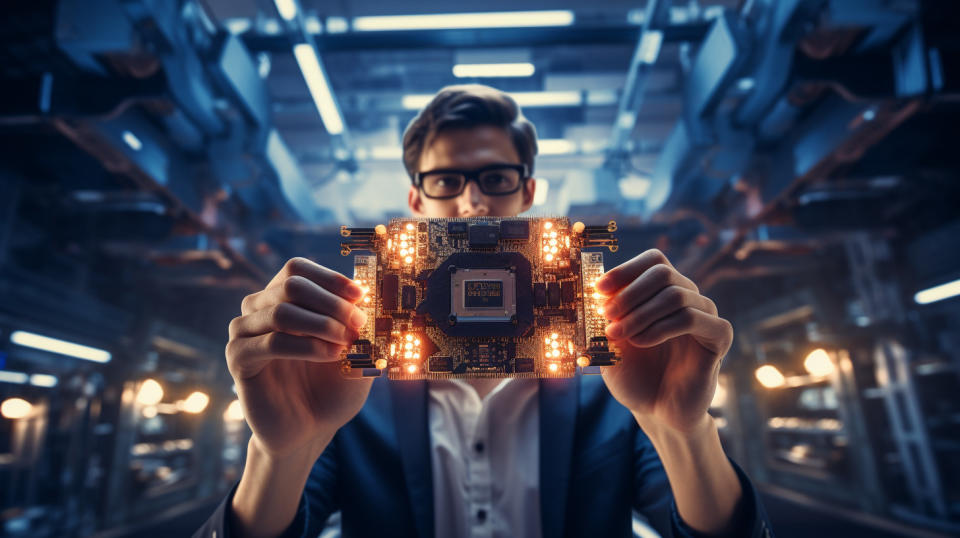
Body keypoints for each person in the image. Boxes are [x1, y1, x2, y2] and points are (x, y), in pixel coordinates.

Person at [195, 84, 772, 538]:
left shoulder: (618, 377)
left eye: (496, 177)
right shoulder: (345, 384)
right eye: (447, 180)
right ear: (417, 201)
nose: (473, 200)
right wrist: (280, 454)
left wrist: (684, 430)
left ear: (528, 192)